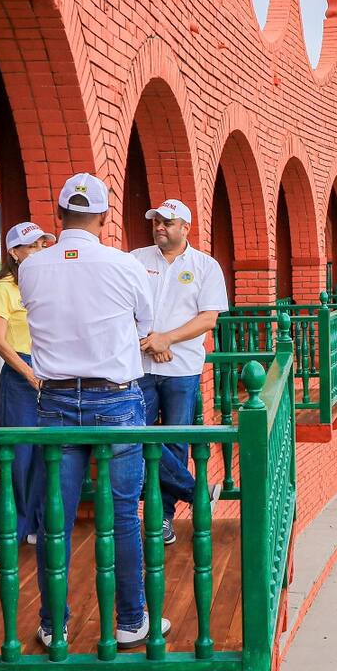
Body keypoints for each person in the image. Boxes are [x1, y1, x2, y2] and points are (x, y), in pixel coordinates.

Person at [19, 172, 167, 650]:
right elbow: (146, 323)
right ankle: (130, 620)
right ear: (105, 220)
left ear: (58, 215)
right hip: (117, 399)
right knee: (123, 514)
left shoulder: (32, 267)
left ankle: (53, 624)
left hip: (56, 400)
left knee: (53, 520)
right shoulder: (124, 266)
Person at [131, 199, 229, 545]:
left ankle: (164, 519)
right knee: (137, 437)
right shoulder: (135, 260)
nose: (159, 227)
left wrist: (166, 339)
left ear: (185, 227)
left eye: (167, 222)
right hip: (139, 366)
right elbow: (120, 306)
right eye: (156, 221)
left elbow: (208, 318)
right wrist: (151, 341)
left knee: (175, 442)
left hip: (182, 368)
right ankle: (194, 490)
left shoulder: (205, 266)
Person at [0, 221, 56, 558]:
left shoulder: (46, 285)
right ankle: (6, 534)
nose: (39, 250)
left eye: (42, 244)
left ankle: (33, 526)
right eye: (31, 245)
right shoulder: (4, 288)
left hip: (49, 373)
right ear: (14, 253)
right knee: (18, 457)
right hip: (20, 376)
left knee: (44, 456)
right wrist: (29, 373)